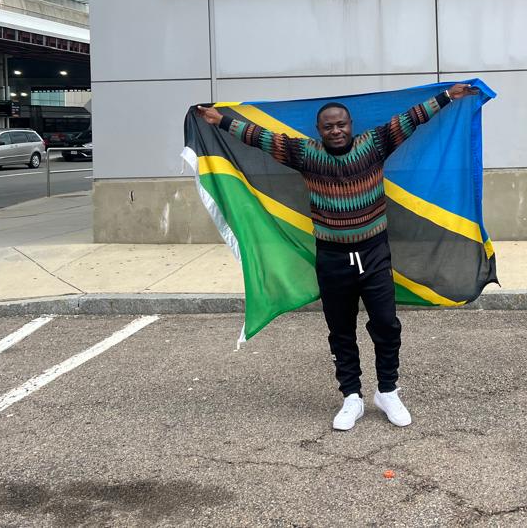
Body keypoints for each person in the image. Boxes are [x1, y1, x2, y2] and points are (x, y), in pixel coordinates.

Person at [194, 83, 478, 431]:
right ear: (319, 130)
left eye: (341, 124)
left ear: (350, 124)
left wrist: (448, 97)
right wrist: (221, 120)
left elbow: (411, 119)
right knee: (341, 330)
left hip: (374, 254)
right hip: (332, 258)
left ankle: (388, 391)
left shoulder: (373, 145)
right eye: (328, 126)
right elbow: (260, 137)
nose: (336, 130)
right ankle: (352, 398)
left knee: (386, 325)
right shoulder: (305, 154)